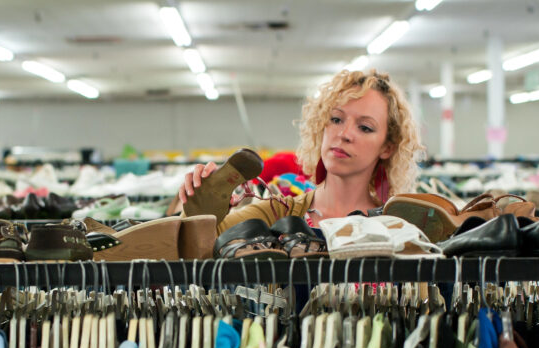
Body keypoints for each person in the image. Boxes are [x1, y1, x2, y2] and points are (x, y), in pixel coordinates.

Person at [179, 68, 424, 233]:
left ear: (387, 147)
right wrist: (198, 210)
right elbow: (191, 247)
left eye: (364, 127)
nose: (344, 134)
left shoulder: (399, 227)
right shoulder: (276, 213)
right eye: (336, 120)